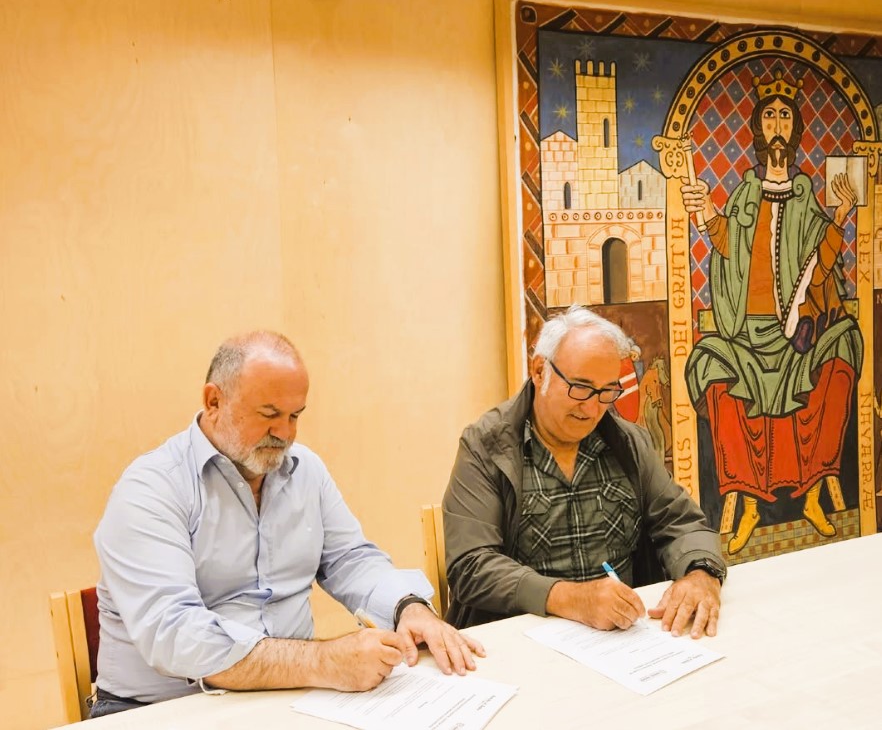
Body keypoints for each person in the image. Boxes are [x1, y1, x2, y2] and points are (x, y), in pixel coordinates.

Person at [92, 331, 483, 717]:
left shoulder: (305, 470)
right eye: (269, 415)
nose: (285, 433)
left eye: (295, 416)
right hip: (161, 710)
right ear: (214, 402)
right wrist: (324, 662)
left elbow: (350, 559)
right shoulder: (151, 488)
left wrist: (407, 606)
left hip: (285, 699)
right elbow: (175, 636)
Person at [443, 305, 726, 639]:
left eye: (607, 391)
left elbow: (682, 522)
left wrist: (700, 573)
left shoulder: (627, 443)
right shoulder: (487, 446)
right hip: (522, 640)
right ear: (539, 371)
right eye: (580, 387)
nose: (592, 409)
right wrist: (571, 598)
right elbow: (471, 566)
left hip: (621, 638)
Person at [679, 69, 863, 554]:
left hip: (798, 337)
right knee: (711, 371)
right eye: (769, 117)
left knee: (844, 350)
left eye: (785, 116)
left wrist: (839, 217)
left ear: (795, 129)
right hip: (747, 337)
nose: (777, 125)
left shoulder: (805, 195)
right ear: (758, 130)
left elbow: (822, 266)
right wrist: (704, 209)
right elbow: (727, 244)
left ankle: (814, 496)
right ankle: (747, 503)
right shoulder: (744, 194)